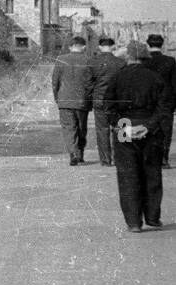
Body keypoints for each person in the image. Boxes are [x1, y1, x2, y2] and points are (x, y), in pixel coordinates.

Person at [104, 40, 172, 232]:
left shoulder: (117, 78)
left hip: (124, 126)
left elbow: (108, 106)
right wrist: (148, 127)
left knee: (128, 175)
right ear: (145, 56)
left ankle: (133, 222)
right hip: (150, 130)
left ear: (128, 56)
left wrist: (121, 126)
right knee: (152, 173)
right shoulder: (156, 78)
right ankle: (152, 217)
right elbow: (164, 106)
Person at [52, 36, 96, 166]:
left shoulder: (60, 59)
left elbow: (55, 82)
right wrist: (90, 99)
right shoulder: (89, 60)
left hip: (64, 101)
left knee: (68, 128)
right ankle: (80, 153)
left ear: (70, 47)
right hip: (82, 101)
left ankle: (73, 153)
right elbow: (91, 83)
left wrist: (57, 98)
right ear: (84, 47)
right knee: (81, 128)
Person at [90, 38, 126, 166]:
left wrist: (91, 99)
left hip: (99, 100)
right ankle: (121, 158)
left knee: (102, 130)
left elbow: (89, 83)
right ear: (113, 46)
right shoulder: (121, 63)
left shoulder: (93, 62)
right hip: (117, 101)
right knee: (120, 127)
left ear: (100, 47)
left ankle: (105, 160)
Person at [144, 34, 176, 168]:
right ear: (162, 44)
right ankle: (163, 158)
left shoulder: (144, 61)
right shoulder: (170, 61)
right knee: (165, 131)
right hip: (166, 101)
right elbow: (175, 84)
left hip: (147, 101)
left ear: (148, 44)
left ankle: (150, 158)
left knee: (149, 129)